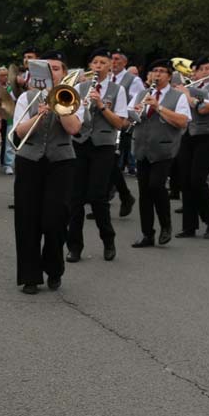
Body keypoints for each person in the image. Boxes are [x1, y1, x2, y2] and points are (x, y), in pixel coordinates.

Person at [11, 52, 85, 293]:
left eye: (56, 68)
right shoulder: (27, 97)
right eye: (48, 68)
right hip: (29, 160)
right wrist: (39, 114)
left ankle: (54, 268)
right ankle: (30, 276)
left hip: (61, 162)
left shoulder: (73, 97)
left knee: (56, 219)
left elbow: (74, 129)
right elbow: (19, 133)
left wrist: (60, 107)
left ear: (63, 73)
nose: (52, 72)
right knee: (27, 219)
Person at [67, 48, 128, 260]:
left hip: (103, 146)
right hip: (80, 143)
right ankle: (74, 246)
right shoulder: (79, 87)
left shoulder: (117, 90)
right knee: (75, 197)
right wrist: (82, 107)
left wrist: (101, 105)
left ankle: (108, 239)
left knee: (97, 196)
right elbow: (72, 118)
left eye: (103, 63)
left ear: (110, 66)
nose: (98, 66)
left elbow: (120, 123)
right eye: (95, 63)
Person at [127, 60, 191, 247]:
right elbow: (129, 116)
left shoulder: (177, 96)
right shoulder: (141, 93)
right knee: (144, 193)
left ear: (169, 76)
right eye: (154, 71)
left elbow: (182, 122)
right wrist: (136, 112)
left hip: (164, 148)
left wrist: (158, 107)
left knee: (156, 186)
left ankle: (166, 225)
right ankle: (148, 234)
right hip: (141, 147)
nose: (157, 74)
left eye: (162, 72)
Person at [178, 57, 209, 239]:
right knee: (186, 180)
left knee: (197, 179)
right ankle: (189, 226)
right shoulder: (191, 86)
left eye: (208, 68)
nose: (204, 72)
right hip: (189, 135)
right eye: (200, 70)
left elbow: (206, 108)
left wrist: (187, 95)